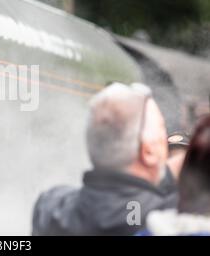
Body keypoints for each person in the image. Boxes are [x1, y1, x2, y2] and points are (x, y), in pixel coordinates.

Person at [32, 82, 183, 235]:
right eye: (162, 127)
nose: (165, 138)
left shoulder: (49, 208)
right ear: (148, 153)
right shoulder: (169, 219)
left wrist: (168, 173)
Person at [140, 114, 210, 235]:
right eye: (170, 156)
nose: (176, 163)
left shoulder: (203, 196)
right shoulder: (147, 197)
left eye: (181, 157)